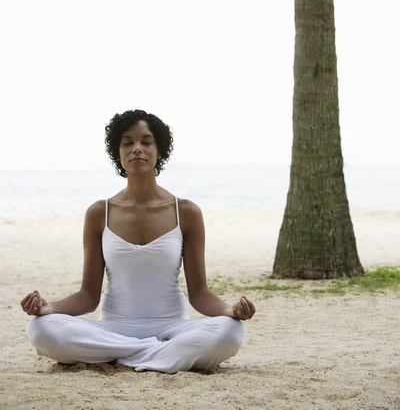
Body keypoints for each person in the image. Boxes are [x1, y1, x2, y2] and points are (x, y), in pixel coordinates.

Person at [21, 109, 256, 373]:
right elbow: (87, 297)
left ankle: (116, 356)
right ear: (117, 152)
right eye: (127, 142)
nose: (137, 149)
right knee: (40, 329)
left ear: (159, 150)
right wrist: (48, 308)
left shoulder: (186, 212)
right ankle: (156, 354)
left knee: (230, 331)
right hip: (114, 329)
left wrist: (229, 311)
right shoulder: (100, 213)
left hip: (172, 328)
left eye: (146, 141)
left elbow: (200, 295)